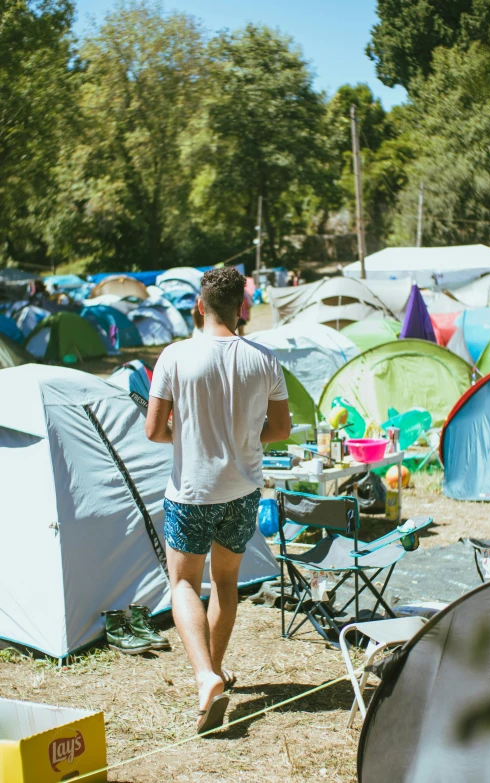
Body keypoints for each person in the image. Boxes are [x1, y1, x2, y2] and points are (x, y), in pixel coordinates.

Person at [145, 266, 291, 734]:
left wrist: (185, 435)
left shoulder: (174, 356)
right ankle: (215, 672)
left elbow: (153, 430)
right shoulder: (264, 359)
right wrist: (245, 439)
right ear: (240, 309)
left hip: (191, 492)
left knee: (184, 583)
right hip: (243, 490)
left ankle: (205, 674)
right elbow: (281, 430)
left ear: (200, 306)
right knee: (225, 584)